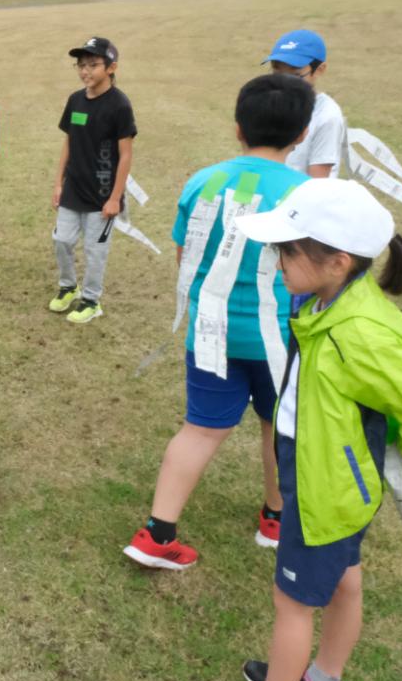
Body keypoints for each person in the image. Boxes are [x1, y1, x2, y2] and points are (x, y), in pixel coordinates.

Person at [194, 178, 402, 681]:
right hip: (339, 480)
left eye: (287, 250)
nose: (277, 260)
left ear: (338, 261)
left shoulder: (357, 331)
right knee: (345, 578)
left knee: (291, 604)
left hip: (326, 485)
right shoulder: (333, 302)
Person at [122, 74, 313, 570]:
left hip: (212, 335)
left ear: (237, 128)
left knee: (201, 429)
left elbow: (187, 255)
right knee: (281, 426)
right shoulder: (308, 193)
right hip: (283, 339)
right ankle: (277, 518)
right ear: (302, 132)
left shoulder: (202, 181)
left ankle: (157, 533)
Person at [49, 37, 137, 324]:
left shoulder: (119, 105)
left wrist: (115, 197)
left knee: (94, 250)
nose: (85, 71)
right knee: (62, 240)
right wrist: (59, 183)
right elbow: (68, 143)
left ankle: (91, 299)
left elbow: (125, 156)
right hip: (74, 188)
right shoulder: (75, 100)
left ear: (111, 68)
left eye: (93, 65)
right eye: (81, 65)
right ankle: (68, 286)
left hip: (103, 194)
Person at [267, 29, 346, 179]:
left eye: (295, 75)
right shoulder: (271, 101)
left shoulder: (327, 116)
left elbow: (318, 183)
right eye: (277, 73)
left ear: (319, 70)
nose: (284, 82)